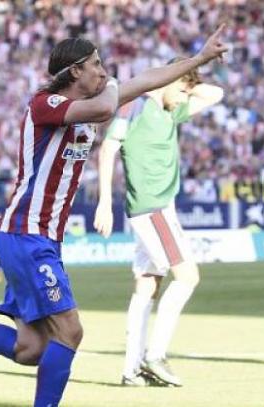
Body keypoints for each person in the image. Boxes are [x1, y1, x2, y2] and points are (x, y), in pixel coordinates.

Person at [0, 26, 227, 407]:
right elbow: (108, 105)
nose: (103, 71)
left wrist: (199, 59)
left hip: (40, 239)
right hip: (25, 234)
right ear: (75, 71)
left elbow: (144, 80)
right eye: (96, 64)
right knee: (70, 331)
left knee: (30, 350)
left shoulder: (94, 99)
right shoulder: (46, 104)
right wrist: (116, 87)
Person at [94, 57, 225, 387]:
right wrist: (104, 204)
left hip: (158, 209)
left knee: (148, 285)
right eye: (182, 91)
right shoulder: (134, 107)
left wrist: (185, 81)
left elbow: (216, 94)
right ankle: (155, 355)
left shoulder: (171, 111)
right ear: (168, 82)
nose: (185, 99)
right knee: (187, 277)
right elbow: (108, 150)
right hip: (152, 209)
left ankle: (131, 369)